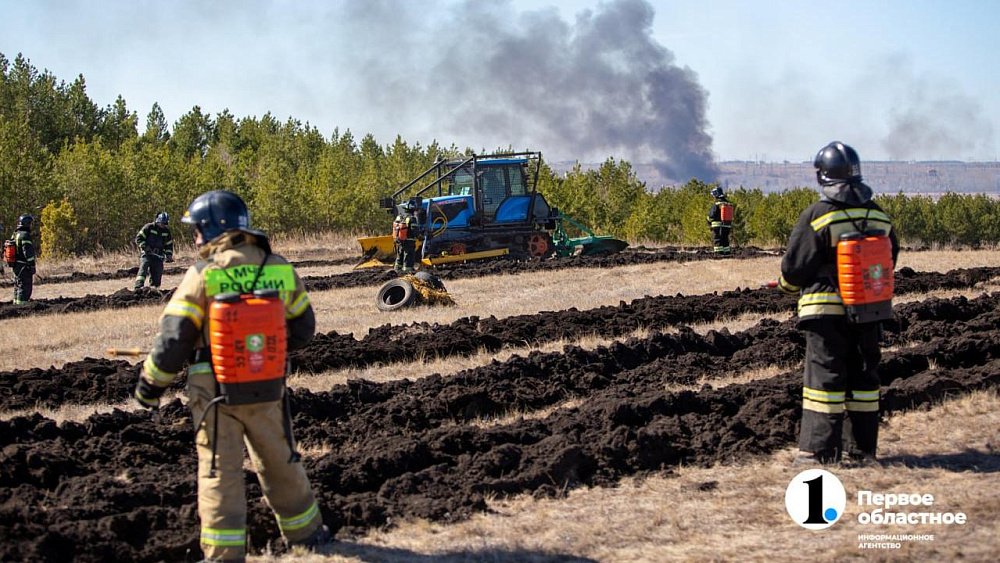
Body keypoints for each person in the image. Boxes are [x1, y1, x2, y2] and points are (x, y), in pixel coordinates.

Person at [133, 190, 329, 562]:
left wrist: (149, 386)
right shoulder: (277, 265)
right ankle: (308, 536)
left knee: (218, 472)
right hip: (267, 385)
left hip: (214, 394)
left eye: (196, 230)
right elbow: (303, 330)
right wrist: (262, 349)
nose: (194, 238)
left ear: (211, 229)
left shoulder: (204, 274)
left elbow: (174, 340)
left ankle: (224, 554)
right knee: (279, 458)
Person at [777, 141, 899, 466]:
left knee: (825, 379)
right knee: (863, 379)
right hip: (869, 310)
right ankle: (862, 451)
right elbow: (889, 258)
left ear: (823, 176)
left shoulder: (818, 216)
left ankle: (818, 451)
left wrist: (785, 287)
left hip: (825, 311)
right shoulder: (878, 214)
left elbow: (794, 268)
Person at [133, 211, 175, 289]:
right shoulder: (149, 227)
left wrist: (169, 255)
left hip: (158, 256)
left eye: (165, 223)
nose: (163, 225)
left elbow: (168, 245)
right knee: (143, 268)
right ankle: (138, 287)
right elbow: (138, 238)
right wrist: (145, 247)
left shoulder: (166, 231)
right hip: (147, 254)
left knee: (158, 272)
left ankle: (154, 290)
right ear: (157, 221)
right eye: (162, 223)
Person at [9, 214, 36, 304]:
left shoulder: (15, 234)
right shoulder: (25, 235)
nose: (31, 225)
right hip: (23, 266)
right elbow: (27, 252)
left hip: (16, 265)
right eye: (30, 223)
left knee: (18, 285)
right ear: (27, 224)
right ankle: (22, 306)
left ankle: (16, 303)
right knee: (25, 286)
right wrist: (32, 265)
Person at [392, 199, 422, 274]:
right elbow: (414, 231)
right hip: (409, 241)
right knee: (409, 256)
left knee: (400, 255)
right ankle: (407, 272)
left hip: (399, 240)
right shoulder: (412, 218)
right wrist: (421, 237)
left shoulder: (400, 217)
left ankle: (397, 270)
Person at [707, 186, 734, 255]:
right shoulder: (728, 203)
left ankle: (718, 253)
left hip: (717, 225)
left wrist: (708, 220)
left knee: (717, 239)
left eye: (713, 195)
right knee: (725, 239)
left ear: (716, 195)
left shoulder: (717, 204)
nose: (713, 197)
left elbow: (711, 215)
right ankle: (727, 252)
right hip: (727, 225)